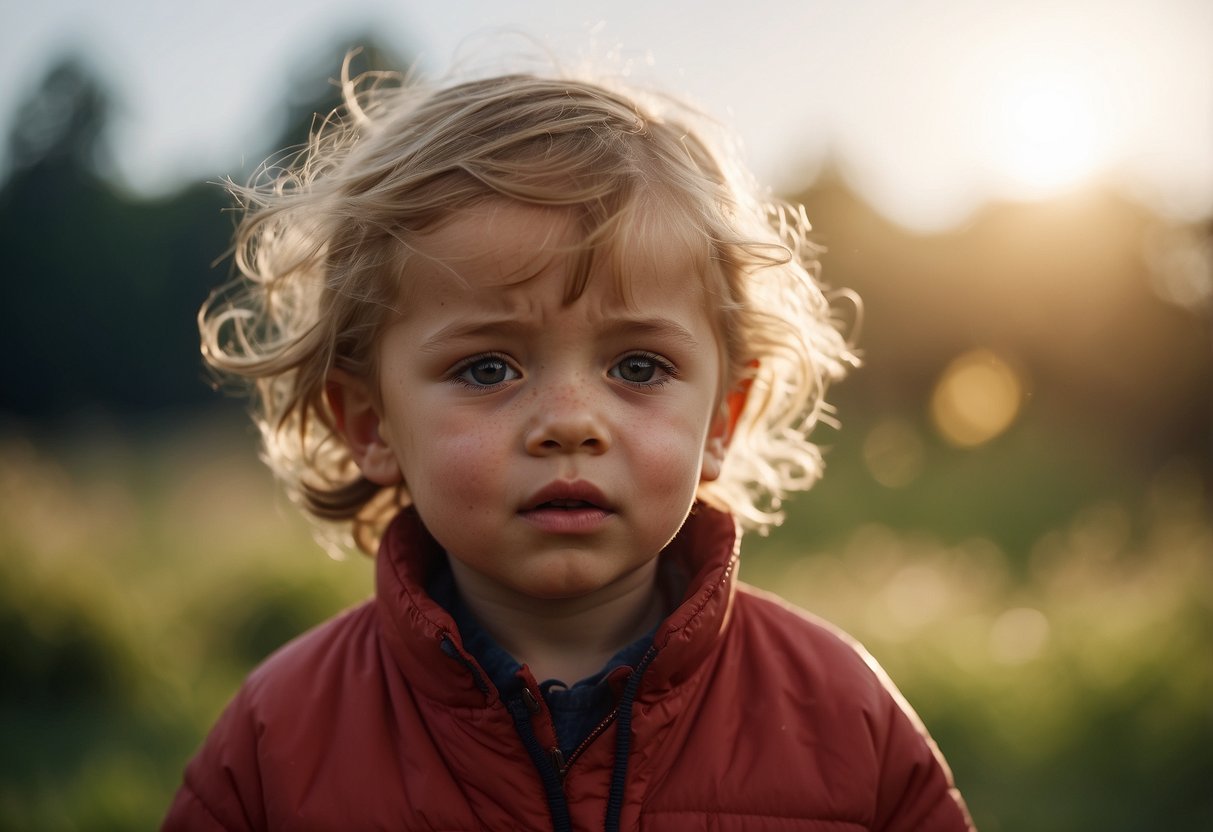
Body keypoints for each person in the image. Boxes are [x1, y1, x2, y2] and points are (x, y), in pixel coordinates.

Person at [163, 57, 974, 831]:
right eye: (486, 367)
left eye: (637, 365)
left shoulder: (841, 715)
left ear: (722, 418)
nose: (569, 422)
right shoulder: (280, 738)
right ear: (371, 426)